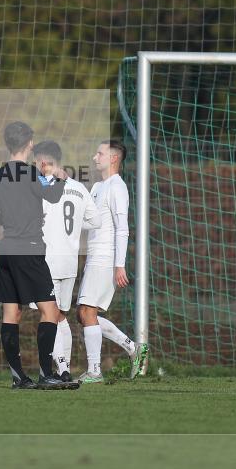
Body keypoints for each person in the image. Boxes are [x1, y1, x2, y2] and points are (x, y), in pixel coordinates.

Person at [0, 121, 77, 390]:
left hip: (7, 249)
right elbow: (52, 196)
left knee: (10, 314)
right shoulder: (32, 173)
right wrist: (59, 177)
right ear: (30, 144)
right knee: (50, 310)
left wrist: (13, 217)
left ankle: (18, 378)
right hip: (30, 249)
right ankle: (46, 374)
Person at [76, 140, 148, 383]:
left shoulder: (118, 187)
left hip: (106, 258)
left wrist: (120, 264)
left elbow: (122, 229)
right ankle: (133, 348)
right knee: (85, 314)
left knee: (87, 311)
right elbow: (91, 222)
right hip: (94, 255)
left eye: (100, 153)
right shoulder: (97, 187)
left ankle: (95, 371)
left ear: (114, 158)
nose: (95, 157)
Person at [28, 140, 98, 382]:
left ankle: (60, 369)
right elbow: (95, 221)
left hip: (45, 261)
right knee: (59, 316)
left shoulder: (40, 188)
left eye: (36, 161)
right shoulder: (79, 187)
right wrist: (75, 229)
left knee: (50, 315)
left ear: (44, 162)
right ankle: (64, 369)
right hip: (69, 261)